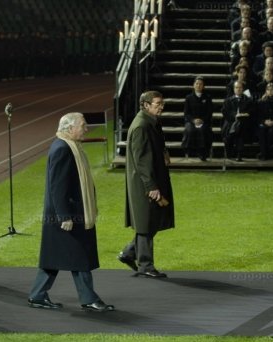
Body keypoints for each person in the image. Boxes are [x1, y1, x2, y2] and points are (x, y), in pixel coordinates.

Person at [28, 113, 114, 312]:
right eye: (83, 126)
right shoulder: (62, 149)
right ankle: (88, 298)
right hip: (67, 216)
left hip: (72, 213)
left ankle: (38, 295)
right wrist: (64, 216)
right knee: (78, 255)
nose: (86, 129)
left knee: (58, 256)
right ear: (69, 128)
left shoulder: (69, 146)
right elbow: (57, 186)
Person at [118, 91, 174, 278]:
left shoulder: (150, 121)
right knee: (146, 222)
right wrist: (151, 187)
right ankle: (146, 266)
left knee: (150, 221)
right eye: (158, 103)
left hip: (150, 180)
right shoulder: (142, 126)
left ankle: (129, 253)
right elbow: (141, 160)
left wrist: (164, 152)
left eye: (162, 103)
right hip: (145, 184)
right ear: (146, 105)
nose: (161, 106)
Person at [181, 76, 214, 161]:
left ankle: (202, 153)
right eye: (197, 83)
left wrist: (202, 120)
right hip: (191, 121)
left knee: (203, 130)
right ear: (193, 85)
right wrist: (193, 120)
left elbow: (209, 112)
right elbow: (186, 113)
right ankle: (190, 151)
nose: (198, 85)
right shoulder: (188, 97)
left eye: (201, 84)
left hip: (204, 121)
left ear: (203, 86)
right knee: (190, 130)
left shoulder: (207, 97)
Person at [221, 80, 254, 161]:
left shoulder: (248, 100)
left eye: (240, 87)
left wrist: (244, 114)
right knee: (234, 129)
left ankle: (239, 154)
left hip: (244, 123)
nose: (238, 89)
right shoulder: (228, 100)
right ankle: (232, 153)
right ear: (234, 89)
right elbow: (225, 112)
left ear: (243, 89)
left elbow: (252, 111)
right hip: (231, 122)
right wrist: (235, 116)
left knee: (240, 128)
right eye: (236, 87)